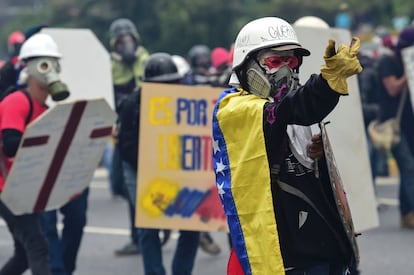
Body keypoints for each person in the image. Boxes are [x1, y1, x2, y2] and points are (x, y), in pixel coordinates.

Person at [212, 17, 362, 274]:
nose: (285, 69)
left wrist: (317, 158)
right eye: (274, 61)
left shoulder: (285, 103)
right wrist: (327, 84)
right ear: (248, 63)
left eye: (290, 61)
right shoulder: (235, 108)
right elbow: (286, 113)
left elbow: (291, 118)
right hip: (284, 252)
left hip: (318, 245)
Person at [117, 52, 200, 275]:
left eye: (172, 83)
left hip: (176, 167)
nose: (168, 88)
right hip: (140, 169)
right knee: (148, 226)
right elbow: (126, 148)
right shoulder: (132, 105)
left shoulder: (187, 103)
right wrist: (155, 168)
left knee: (192, 227)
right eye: (162, 84)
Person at [0, 32, 71, 275]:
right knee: (38, 246)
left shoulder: (46, 110)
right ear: (29, 68)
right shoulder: (17, 102)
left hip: (20, 186)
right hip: (5, 186)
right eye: (44, 64)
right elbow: (10, 144)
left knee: (24, 254)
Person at [109, 17, 149, 256]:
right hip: (122, 135)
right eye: (121, 41)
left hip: (148, 133)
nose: (126, 45)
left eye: (129, 40)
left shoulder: (146, 60)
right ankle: (145, 225)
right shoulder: (110, 66)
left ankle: (140, 236)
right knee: (119, 184)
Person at [376, 26, 414, 229]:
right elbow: (392, 89)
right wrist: (409, 72)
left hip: (409, 125)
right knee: (408, 168)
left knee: (408, 170)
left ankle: (407, 214)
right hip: (394, 125)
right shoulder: (388, 62)